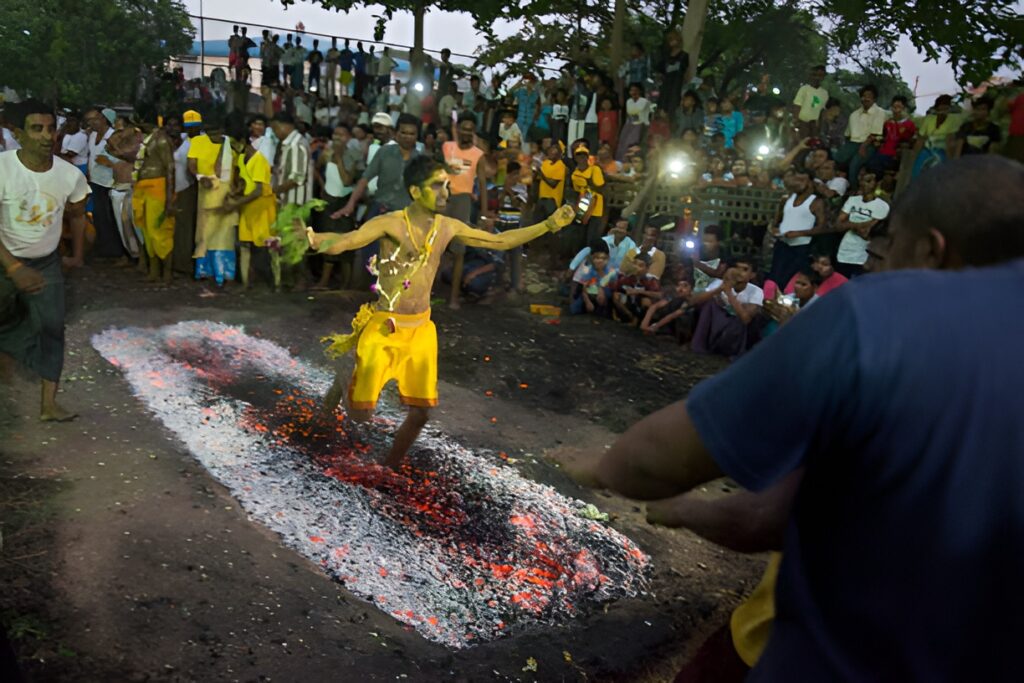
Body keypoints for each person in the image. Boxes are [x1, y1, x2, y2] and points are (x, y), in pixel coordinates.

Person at [576, 156, 1024, 681]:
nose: (879, 263)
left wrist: (606, 471)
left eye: (891, 243)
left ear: (930, 248)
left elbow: (670, 467)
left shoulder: (879, 318)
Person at [306, 156, 575, 468]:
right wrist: (315, 240)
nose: (447, 192)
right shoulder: (390, 223)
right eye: (438, 185)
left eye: (447, 184)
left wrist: (549, 224)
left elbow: (500, 241)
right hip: (385, 327)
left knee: (420, 414)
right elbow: (346, 241)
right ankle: (344, 378)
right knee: (360, 416)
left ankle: (388, 467)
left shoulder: (447, 227)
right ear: (416, 192)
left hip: (421, 330)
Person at [0, 99, 89, 421]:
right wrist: (13, 267)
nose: (46, 136)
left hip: (46, 262)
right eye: (36, 129)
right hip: (4, 259)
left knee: (53, 328)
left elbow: (78, 214)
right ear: (19, 134)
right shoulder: (3, 168)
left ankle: (48, 405)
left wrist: (76, 254)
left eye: (51, 129)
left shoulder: (68, 175)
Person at [441, 113, 489, 307]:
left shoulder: (478, 155)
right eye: (464, 128)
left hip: (463, 201)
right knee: (435, 247)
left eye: (470, 129)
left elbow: (483, 184)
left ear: (473, 132)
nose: (466, 132)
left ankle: (453, 298)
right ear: (458, 129)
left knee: (459, 250)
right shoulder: (447, 147)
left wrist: (484, 214)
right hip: (443, 198)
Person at [187, 110, 238, 286]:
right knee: (204, 231)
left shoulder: (231, 145)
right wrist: (201, 177)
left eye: (215, 131)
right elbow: (191, 165)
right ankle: (205, 270)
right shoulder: (198, 142)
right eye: (209, 131)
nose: (212, 135)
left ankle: (225, 273)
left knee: (225, 234)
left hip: (226, 193)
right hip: (206, 192)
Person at [314, 124, 361, 291]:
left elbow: (347, 180)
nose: (337, 138)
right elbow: (316, 168)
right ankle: (324, 282)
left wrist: (339, 157)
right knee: (328, 241)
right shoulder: (327, 152)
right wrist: (322, 185)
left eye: (341, 135)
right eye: (335, 134)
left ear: (348, 137)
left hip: (344, 202)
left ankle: (345, 285)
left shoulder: (353, 155)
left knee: (346, 243)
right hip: (329, 200)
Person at [130, 118, 177, 282]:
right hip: (142, 188)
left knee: (160, 230)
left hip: (158, 188)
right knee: (147, 231)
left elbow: (170, 168)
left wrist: (170, 199)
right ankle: (154, 270)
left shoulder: (161, 139)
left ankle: (167, 272)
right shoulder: (146, 138)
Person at [767, 170, 825, 289]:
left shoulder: (816, 202)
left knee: (792, 281)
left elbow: (822, 227)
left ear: (810, 183)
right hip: (782, 244)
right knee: (775, 278)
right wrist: (773, 229)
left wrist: (799, 233)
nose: (798, 184)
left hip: (801, 248)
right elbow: (776, 221)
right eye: (796, 180)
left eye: (802, 180)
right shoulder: (786, 199)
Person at [834, 170, 889, 278]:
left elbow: (866, 234)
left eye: (868, 181)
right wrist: (863, 224)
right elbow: (838, 226)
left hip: (863, 256)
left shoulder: (882, 206)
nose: (864, 184)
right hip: (844, 252)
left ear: (877, 183)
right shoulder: (853, 200)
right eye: (862, 181)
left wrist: (849, 224)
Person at [83, 107, 122, 259]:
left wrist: (109, 163)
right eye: (89, 120)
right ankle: (105, 247)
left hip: (110, 182)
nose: (92, 123)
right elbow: (91, 155)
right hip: (96, 181)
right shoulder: (92, 135)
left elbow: (123, 157)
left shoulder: (114, 135)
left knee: (111, 216)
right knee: (99, 216)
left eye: (95, 118)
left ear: (103, 119)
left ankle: (116, 250)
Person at [569, 239, 617, 316]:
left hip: (595, 283)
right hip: (582, 280)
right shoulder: (587, 252)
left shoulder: (607, 263)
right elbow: (575, 263)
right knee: (575, 306)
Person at [613, 253, 661, 324]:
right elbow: (615, 289)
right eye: (634, 263)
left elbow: (660, 295)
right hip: (628, 306)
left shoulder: (650, 280)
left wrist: (639, 292)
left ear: (647, 269)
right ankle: (628, 316)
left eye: (640, 265)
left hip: (641, 308)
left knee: (646, 301)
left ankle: (637, 322)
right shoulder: (626, 278)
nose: (636, 267)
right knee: (616, 296)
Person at [657, 30, 689, 119]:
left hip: (676, 86)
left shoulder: (684, 55)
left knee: (672, 109)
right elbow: (661, 71)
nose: (672, 41)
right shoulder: (666, 55)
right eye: (670, 39)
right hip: (665, 86)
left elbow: (684, 72)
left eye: (673, 39)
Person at [791, 65, 829, 139]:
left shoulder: (824, 93)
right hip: (802, 123)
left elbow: (822, 111)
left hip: (814, 125)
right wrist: (796, 121)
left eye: (820, 75)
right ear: (811, 76)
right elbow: (797, 106)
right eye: (815, 75)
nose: (817, 77)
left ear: (823, 77)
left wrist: (820, 127)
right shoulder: (804, 89)